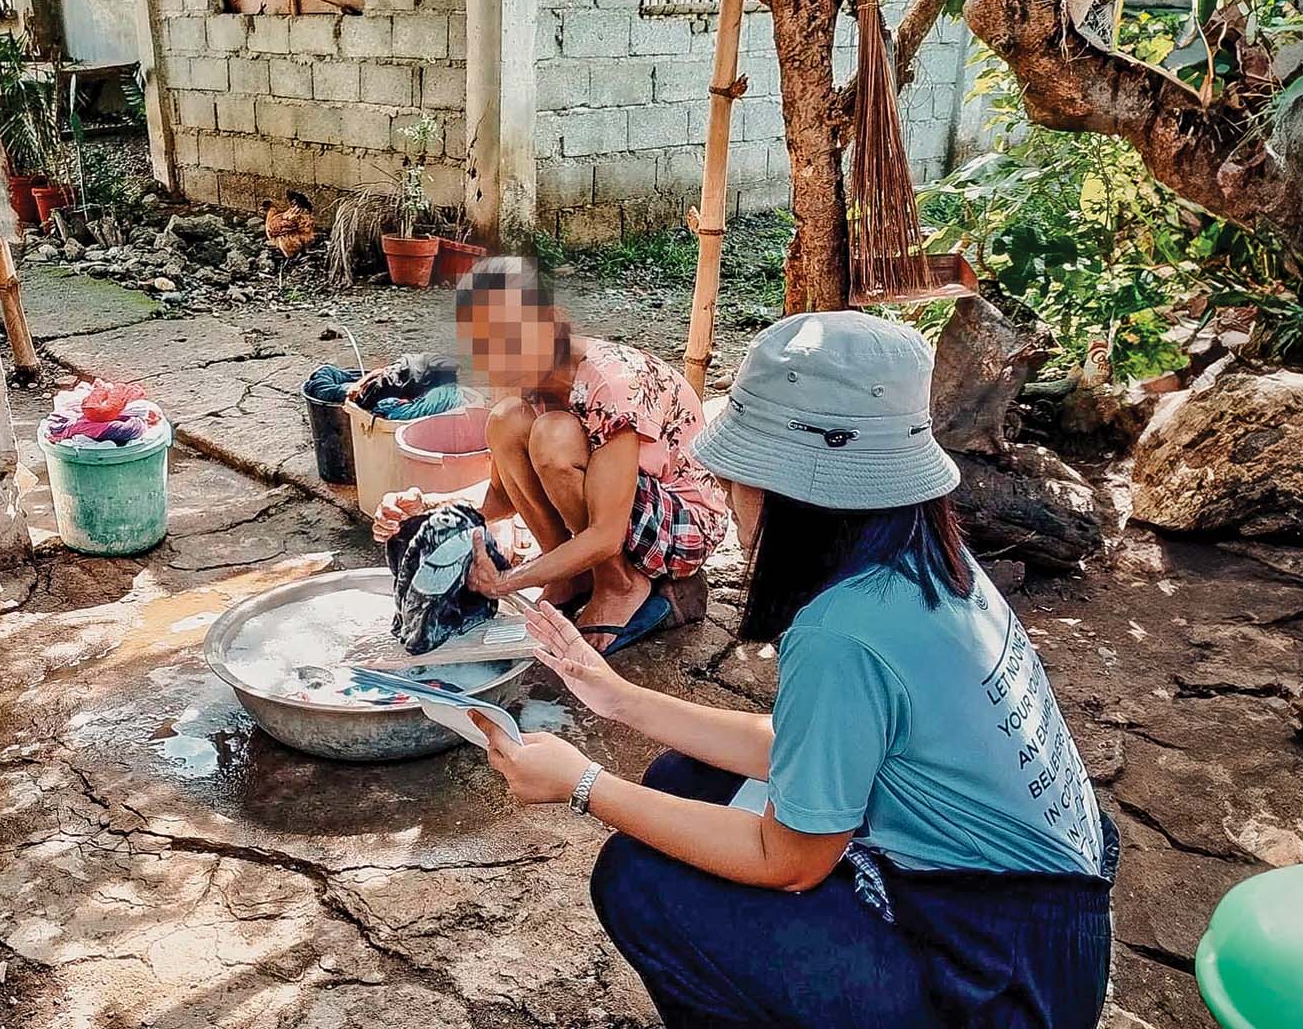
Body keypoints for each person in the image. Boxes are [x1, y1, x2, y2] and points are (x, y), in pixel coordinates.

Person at [469, 310, 1118, 1028]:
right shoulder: (925, 556)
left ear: (797, 490)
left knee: (636, 879)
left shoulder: (844, 629)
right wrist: (618, 698)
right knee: (680, 780)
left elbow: (791, 858)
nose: (728, 495)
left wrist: (583, 784)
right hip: (1039, 930)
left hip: (1005, 981)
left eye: (740, 474)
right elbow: (804, 744)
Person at [370, 256, 727, 653]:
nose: (498, 360)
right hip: (625, 509)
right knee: (506, 420)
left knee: (553, 435)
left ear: (552, 321)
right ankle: (571, 573)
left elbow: (606, 535)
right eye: (483, 346)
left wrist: (508, 581)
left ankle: (618, 585)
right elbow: (505, 494)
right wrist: (432, 507)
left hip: (683, 526)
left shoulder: (612, 385)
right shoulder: (526, 378)